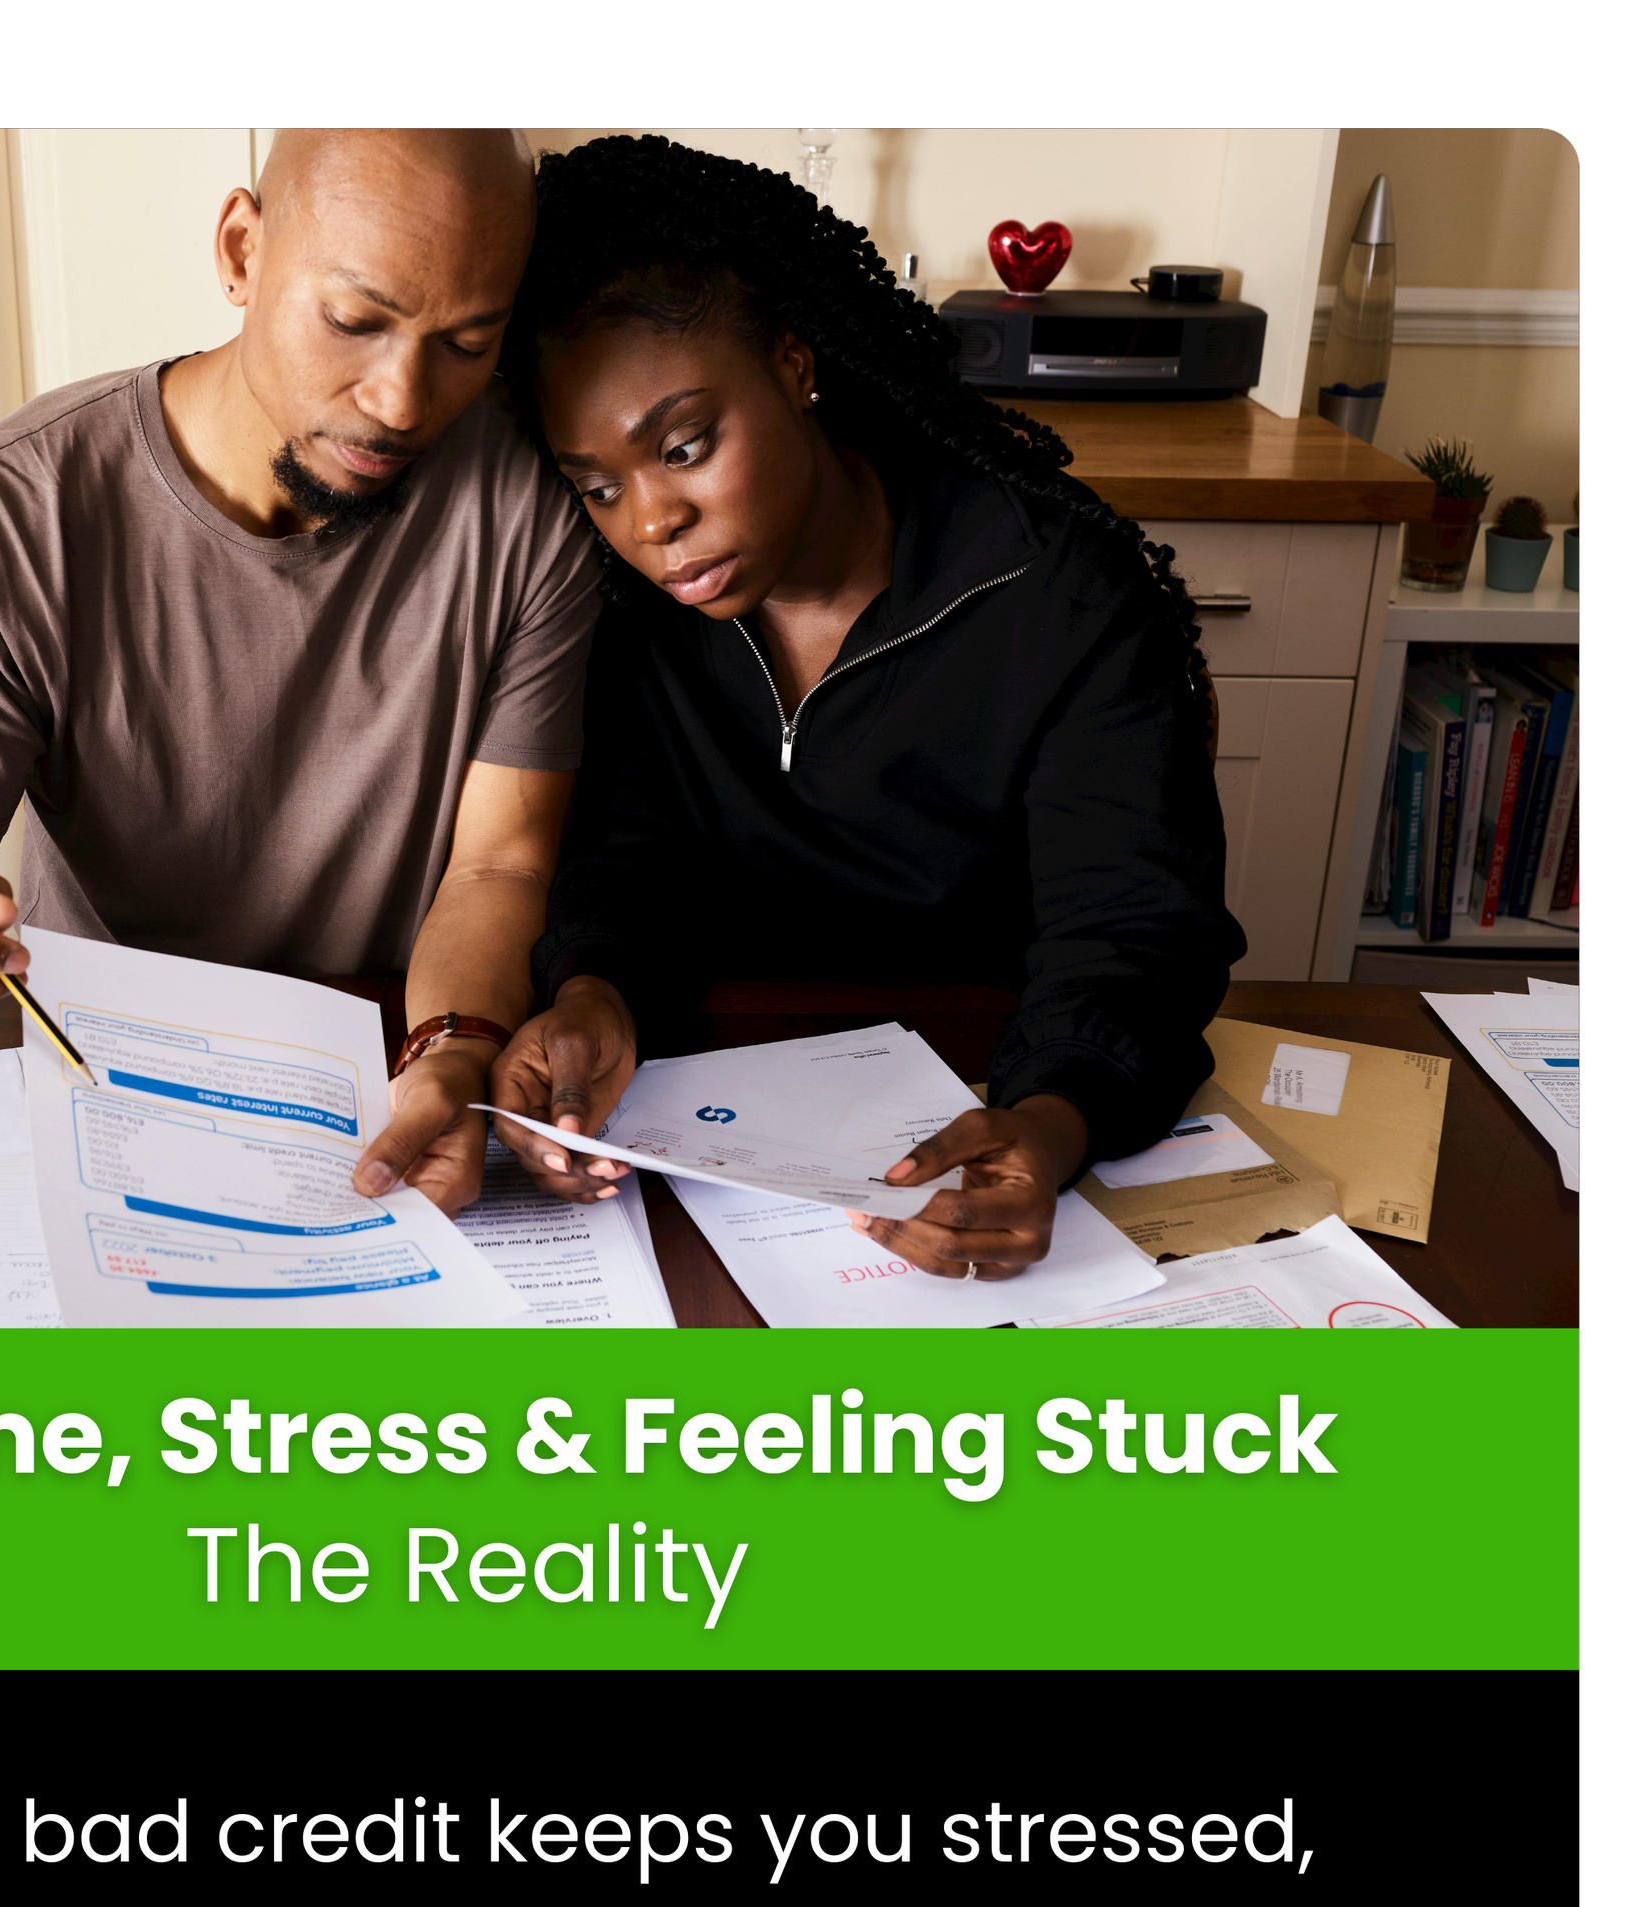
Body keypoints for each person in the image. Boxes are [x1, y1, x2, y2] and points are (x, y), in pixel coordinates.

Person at [487, 135, 1244, 1280]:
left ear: (795, 365)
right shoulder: (624, 612)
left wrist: (1047, 1124)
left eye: (685, 447)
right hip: (704, 1143)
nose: (649, 522)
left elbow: (1131, 927)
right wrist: (595, 992)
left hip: (992, 1100)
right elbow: (631, 856)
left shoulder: (1058, 591)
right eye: (596, 485)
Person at [0, 129, 599, 1212]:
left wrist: (453, 1053)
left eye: (466, 343)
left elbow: (497, 870)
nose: (402, 401)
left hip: (379, 1070)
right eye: (355, 320)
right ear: (240, 251)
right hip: (98, 1086)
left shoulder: (525, 516)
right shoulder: (7, 515)